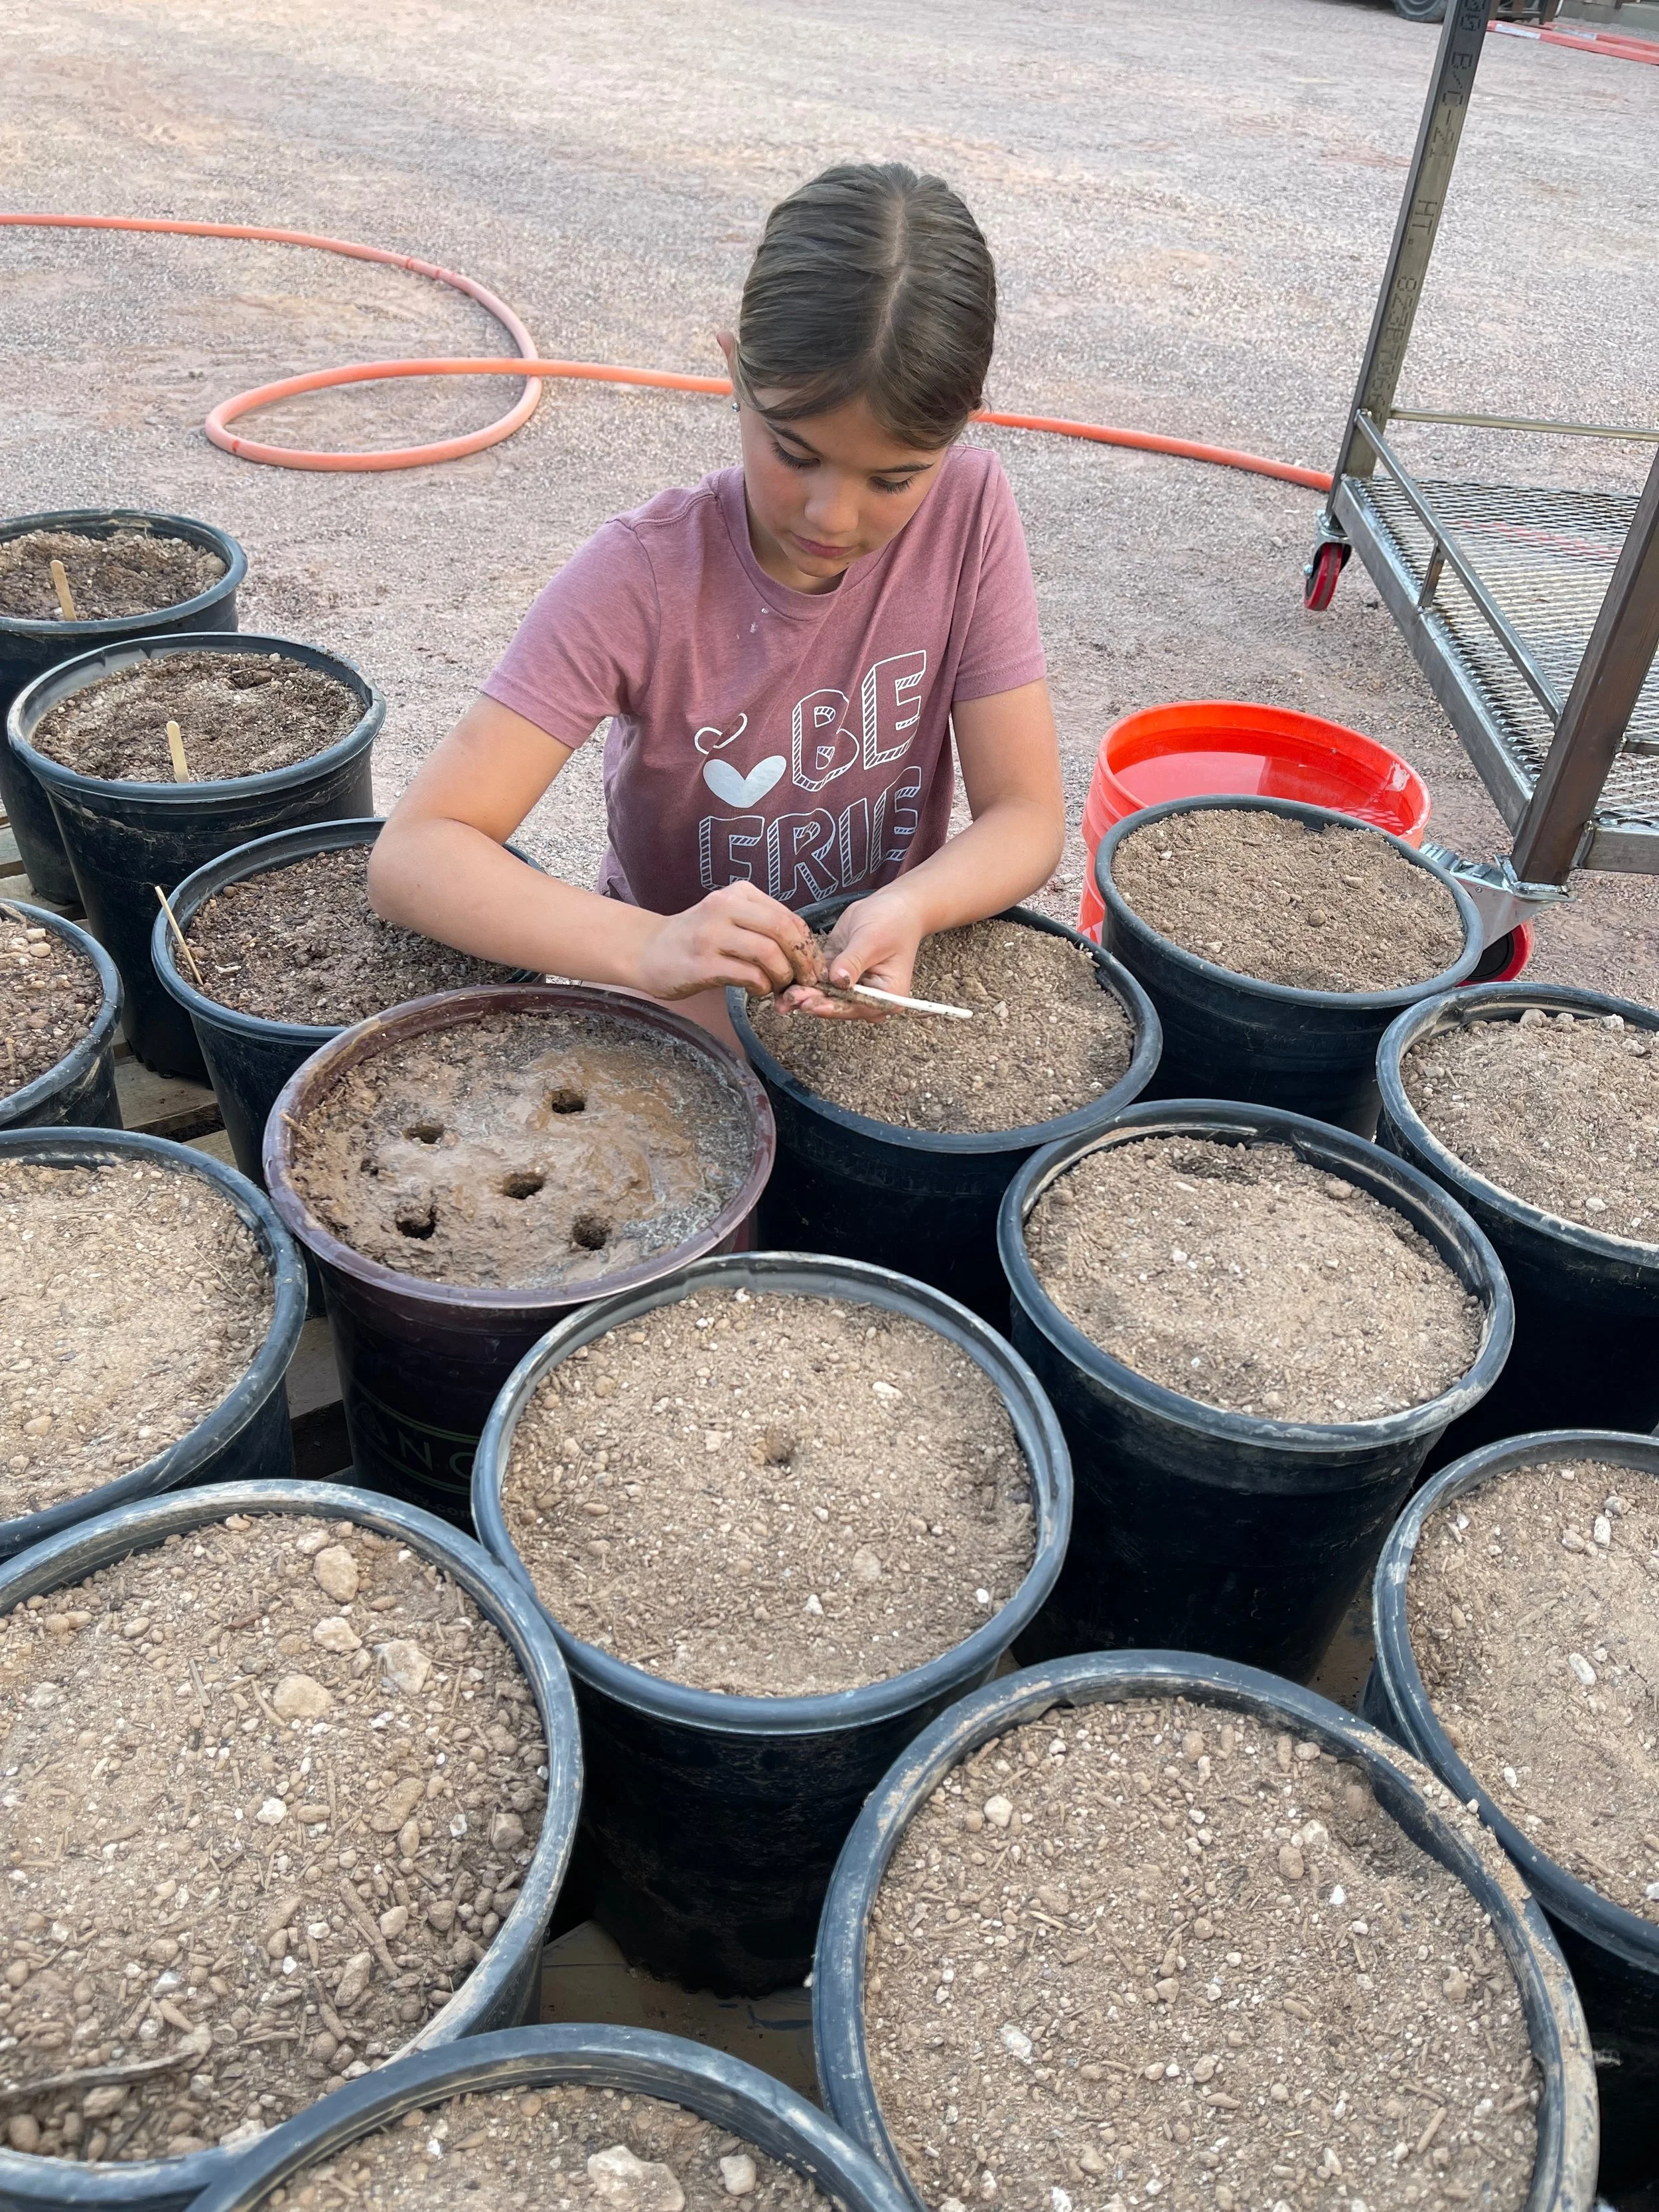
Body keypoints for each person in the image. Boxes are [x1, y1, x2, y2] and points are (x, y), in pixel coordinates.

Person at [368, 160, 1064, 1042]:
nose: (833, 516)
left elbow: (1027, 814)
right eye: (796, 454)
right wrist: (651, 947)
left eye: (893, 478)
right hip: (679, 1027)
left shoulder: (967, 509)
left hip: (862, 1010)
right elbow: (416, 853)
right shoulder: (645, 576)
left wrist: (912, 904)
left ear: (962, 426)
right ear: (735, 373)